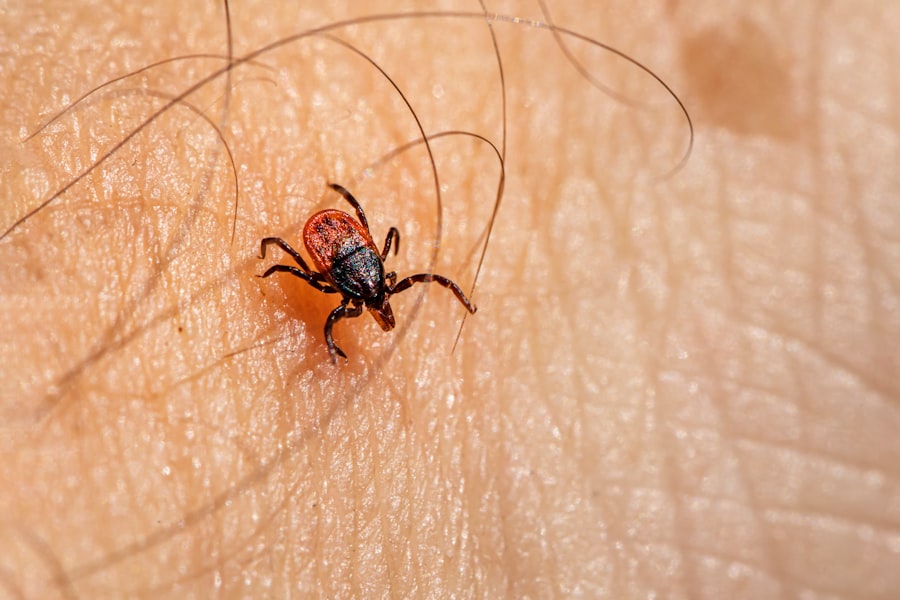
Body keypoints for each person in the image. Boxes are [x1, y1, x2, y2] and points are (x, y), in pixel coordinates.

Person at [1, 1, 896, 596]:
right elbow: (324, 259)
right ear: (365, 278)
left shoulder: (357, 274)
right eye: (370, 299)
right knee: (302, 277)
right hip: (326, 232)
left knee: (327, 269)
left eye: (374, 297)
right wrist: (315, 298)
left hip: (330, 230)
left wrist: (355, 278)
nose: (376, 299)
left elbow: (345, 253)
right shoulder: (351, 276)